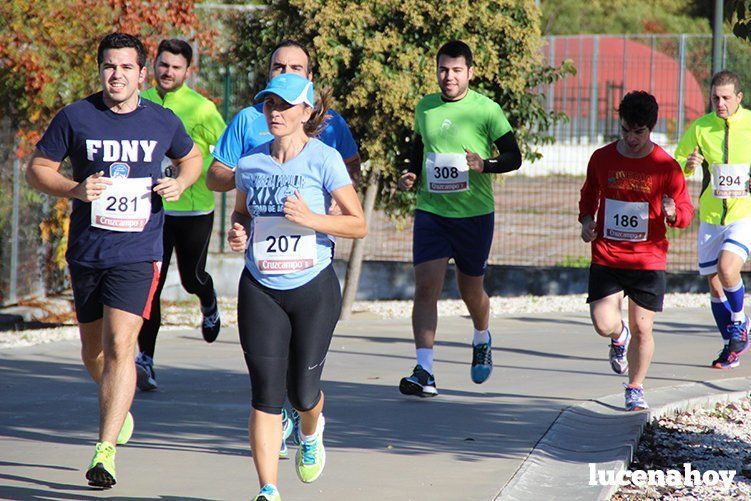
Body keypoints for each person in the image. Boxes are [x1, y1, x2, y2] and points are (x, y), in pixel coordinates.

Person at [25, 33, 201, 488]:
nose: (116, 74)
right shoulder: (77, 116)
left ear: (142, 73)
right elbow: (37, 168)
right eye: (109, 66)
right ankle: (117, 408)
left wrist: (181, 182)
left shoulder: (162, 121)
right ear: (100, 70)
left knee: (123, 345)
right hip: (88, 251)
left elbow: (193, 157)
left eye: (126, 67)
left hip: (139, 252)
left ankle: (104, 452)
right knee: (94, 351)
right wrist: (74, 189)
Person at [227, 73, 366, 501]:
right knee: (265, 394)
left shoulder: (324, 159)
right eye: (269, 104)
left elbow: (357, 224)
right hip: (260, 288)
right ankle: (268, 490)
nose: (275, 113)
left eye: (285, 106)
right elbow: (240, 214)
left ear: (306, 112)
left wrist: (313, 220)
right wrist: (236, 233)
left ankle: (310, 430)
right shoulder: (250, 162)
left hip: (313, 289)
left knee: (303, 394)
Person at [396, 40, 522, 397]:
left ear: (470, 72)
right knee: (425, 287)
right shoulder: (426, 107)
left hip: (474, 215)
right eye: (442, 69)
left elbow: (514, 156)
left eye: (455, 70)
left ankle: (482, 335)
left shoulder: (486, 109)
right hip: (432, 212)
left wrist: (486, 165)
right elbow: (417, 149)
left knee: (471, 290)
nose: (448, 76)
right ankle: (425, 370)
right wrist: (410, 174)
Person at [579, 91, 693, 411]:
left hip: (647, 259)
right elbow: (589, 195)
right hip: (607, 256)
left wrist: (673, 214)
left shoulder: (665, 166)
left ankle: (635, 387)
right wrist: (587, 222)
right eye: (625, 130)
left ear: (651, 129)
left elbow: (685, 210)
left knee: (644, 328)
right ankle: (618, 337)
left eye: (638, 132)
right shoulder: (601, 158)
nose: (630, 138)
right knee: (603, 322)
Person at [136, 39, 227, 391]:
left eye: (176, 67)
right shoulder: (140, 104)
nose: (168, 72)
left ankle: (208, 300)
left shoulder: (202, 109)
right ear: (153, 66)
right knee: (151, 286)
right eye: (163, 65)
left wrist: (194, 169)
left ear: (188, 71)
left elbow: (226, 154)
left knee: (191, 278)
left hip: (193, 209)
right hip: (150, 210)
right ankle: (146, 359)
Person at [207, 39, 361, 192]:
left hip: (315, 216)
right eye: (279, 67)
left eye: (296, 68)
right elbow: (214, 177)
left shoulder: (329, 122)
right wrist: (245, 176)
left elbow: (351, 163)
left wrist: (340, 201)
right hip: (260, 215)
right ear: (268, 76)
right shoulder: (247, 119)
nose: (286, 73)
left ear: (309, 77)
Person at [675, 70, 751, 369]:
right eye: (715, 98)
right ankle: (730, 347)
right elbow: (678, 162)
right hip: (710, 214)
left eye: (726, 98)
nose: (720, 103)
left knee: (727, 267)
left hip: (743, 213)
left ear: (739, 98)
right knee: (714, 283)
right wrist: (688, 164)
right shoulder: (701, 127)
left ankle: (740, 321)